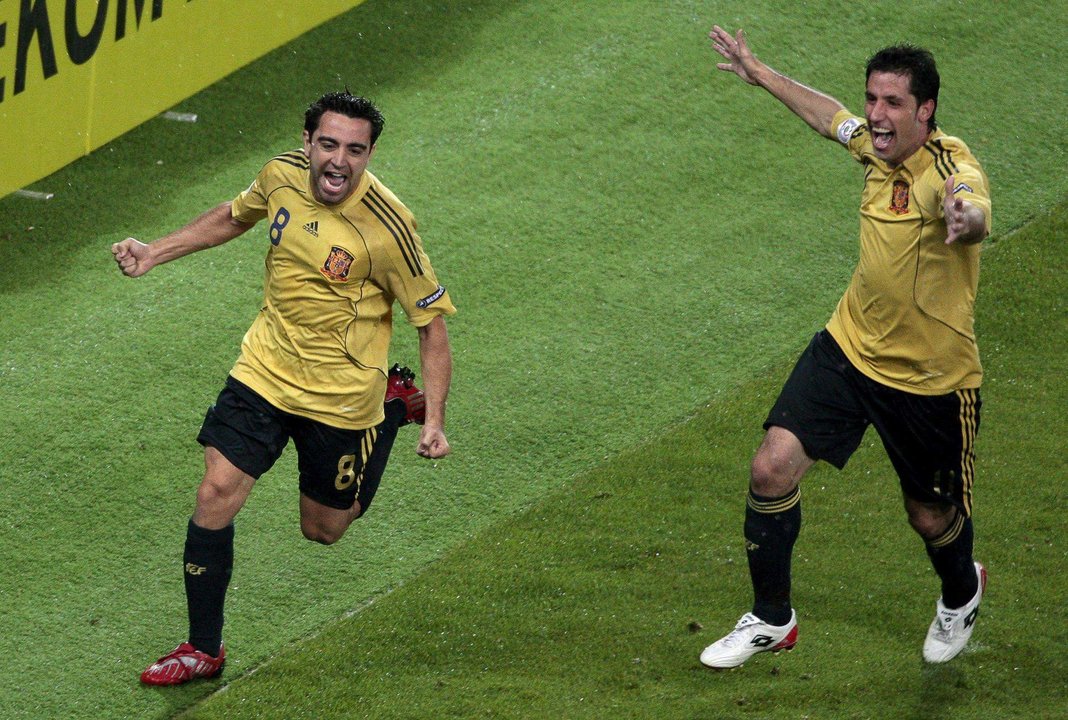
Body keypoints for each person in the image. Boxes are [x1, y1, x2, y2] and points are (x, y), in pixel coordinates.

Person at [113, 92, 456, 686]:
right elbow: (234, 214)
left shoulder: (388, 229)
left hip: (342, 396)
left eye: (355, 149)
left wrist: (433, 420)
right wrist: (155, 252)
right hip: (264, 369)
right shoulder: (280, 175)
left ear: (371, 153)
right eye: (329, 144)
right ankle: (203, 647)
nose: (339, 161)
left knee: (323, 530)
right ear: (307, 142)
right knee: (215, 490)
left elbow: (431, 327)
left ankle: (393, 408)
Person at [699, 27, 991, 668]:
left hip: (929, 379)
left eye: (891, 103)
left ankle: (962, 590)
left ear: (926, 111)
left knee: (930, 516)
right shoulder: (873, 148)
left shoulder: (948, 166)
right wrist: (760, 72)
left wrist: (966, 220)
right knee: (769, 468)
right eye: (873, 100)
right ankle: (773, 618)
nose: (876, 117)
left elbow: (971, 202)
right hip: (848, 348)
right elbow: (827, 115)